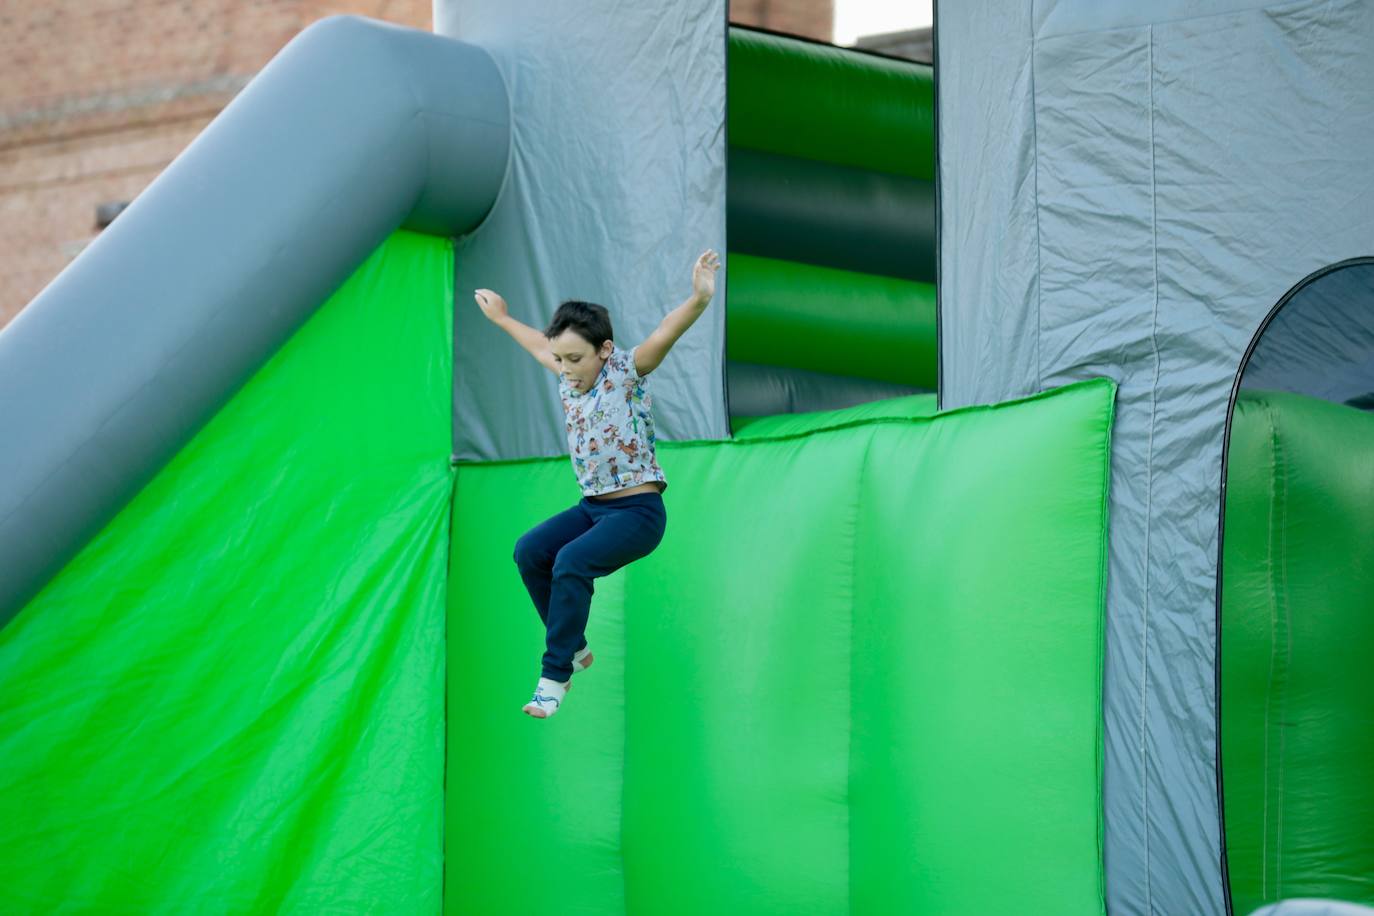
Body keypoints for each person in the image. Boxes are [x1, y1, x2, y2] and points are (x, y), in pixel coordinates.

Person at [474, 249, 721, 718]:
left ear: (604, 350)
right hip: (592, 507)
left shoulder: (623, 374)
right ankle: (576, 645)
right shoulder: (570, 381)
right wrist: (503, 318)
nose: (566, 368)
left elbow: (665, 332)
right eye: (561, 359)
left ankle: (555, 676)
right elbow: (535, 345)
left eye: (575, 359)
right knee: (530, 551)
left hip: (637, 514)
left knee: (570, 561)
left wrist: (699, 299)